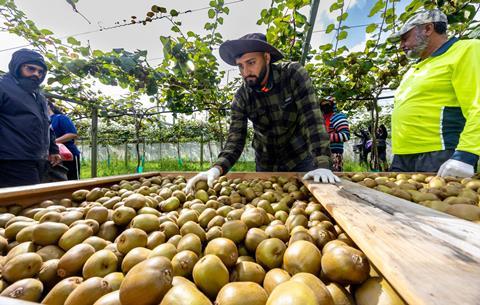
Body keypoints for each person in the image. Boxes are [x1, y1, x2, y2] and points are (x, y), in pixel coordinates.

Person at [186, 33, 339, 191]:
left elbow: (312, 119)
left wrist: (322, 163)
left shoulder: (293, 75)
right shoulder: (241, 97)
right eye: (240, 66)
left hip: (299, 159)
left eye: (251, 62)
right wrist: (216, 168)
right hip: (266, 164)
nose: (245, 72)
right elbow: (235, 139)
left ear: (266, 58)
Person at [388, 9, 480, 177]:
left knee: (436, 202)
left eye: (405, 38)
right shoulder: (414, 68)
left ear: (428, 29)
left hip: (439, 155)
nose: (402, 45)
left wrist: (466, 155)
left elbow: (478, 105)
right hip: (403, 157)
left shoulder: (466, 50)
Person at [0, 49, 61, 187]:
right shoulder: (3, 87)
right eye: (31, 69)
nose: (36, 74)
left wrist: (53, 149)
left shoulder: (38, 96)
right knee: (24, 203)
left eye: (40, 72)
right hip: (12, 160)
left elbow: (46, 124)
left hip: (37, 159)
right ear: (17, 67)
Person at [48, 100, 81, 180]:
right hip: (51, 156)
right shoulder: (42, 121)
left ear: (49, 106)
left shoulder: (60, 118)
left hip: (68, 154)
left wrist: (52, 142)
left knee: (71, 180)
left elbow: (72, 134)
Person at [320, 96, 350, 172]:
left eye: (327, 104)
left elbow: (345, 136)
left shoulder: (337, 117)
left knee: (334, 178)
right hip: (321, 155)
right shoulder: (321, 118)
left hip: (334, 154)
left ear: (333, 105)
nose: (324, 106)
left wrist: (324, 137)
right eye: (322, 105)